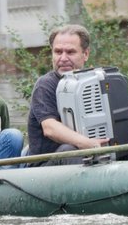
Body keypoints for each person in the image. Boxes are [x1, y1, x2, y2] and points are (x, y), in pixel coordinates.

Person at [26, 24, 109, 164]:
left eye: (70, 52)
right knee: (68, 150)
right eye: (58, 52)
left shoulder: (96, 81)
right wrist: (88, 144)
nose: (63, 58)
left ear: (86, 54)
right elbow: (50, 128)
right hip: (45, 167)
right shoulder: (45, 85)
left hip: (88, 154)